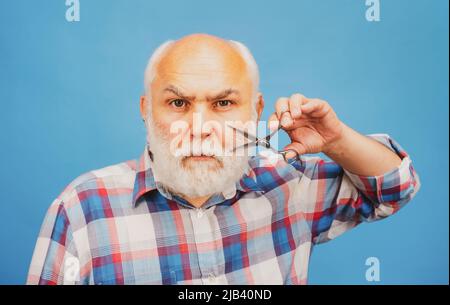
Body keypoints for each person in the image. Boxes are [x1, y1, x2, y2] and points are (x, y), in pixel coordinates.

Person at [27, 33, 420, 285]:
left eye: (224, 103)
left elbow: (394, 188)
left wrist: (335, 140)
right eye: (178, 103)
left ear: (256, 109)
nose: (199, 126)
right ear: (147, 109)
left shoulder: (287, 182)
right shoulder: (81, 208)